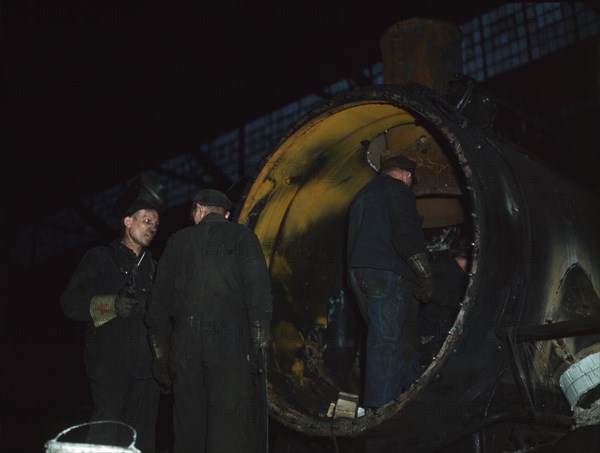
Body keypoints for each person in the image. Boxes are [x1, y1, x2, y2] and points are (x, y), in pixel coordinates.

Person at [145, 188, 273, 453]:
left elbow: (157, 306)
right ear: (226, 214)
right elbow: (260, 300)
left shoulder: (178, 241)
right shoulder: (243, 237)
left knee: (188, 436)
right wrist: (257, 354)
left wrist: (161, 358)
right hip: (231, 353)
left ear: (200, 209)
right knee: (228, 435)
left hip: (185, 353)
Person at [60, 172, 165, 452]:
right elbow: (69, 303)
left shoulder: (156, 270)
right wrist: (111, 304)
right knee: (107, 434)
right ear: (127, 221)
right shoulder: (99, 259)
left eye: (155, 224)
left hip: (146, 370)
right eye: (146, 220)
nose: (152, 227)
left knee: (142, 440)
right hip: (109, 365)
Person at [347, 151, 434, 408]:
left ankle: (413, 399)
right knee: (388, 341)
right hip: (388, 272)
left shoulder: (362, 195)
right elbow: (406, 233)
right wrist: (426, 274)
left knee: (399, 339)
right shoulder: (397, 190)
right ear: (407, 175)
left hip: (359, 273)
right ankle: (380, 409)